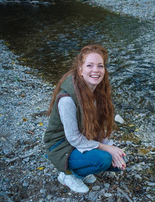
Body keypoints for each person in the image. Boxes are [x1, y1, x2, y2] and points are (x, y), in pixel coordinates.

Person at [43, 45, 127, 193]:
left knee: (118, 162)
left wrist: (113, 148)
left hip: (79, 140)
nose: (96, 70)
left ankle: (82, 166)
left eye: (100, 66)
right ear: (80, 70)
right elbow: (74, 138)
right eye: (90, 65)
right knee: (104, 160)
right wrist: (108, 149)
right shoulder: (67, 99)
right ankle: (68, 175)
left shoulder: (98, 92)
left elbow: (100, 128)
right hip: (61, 147)